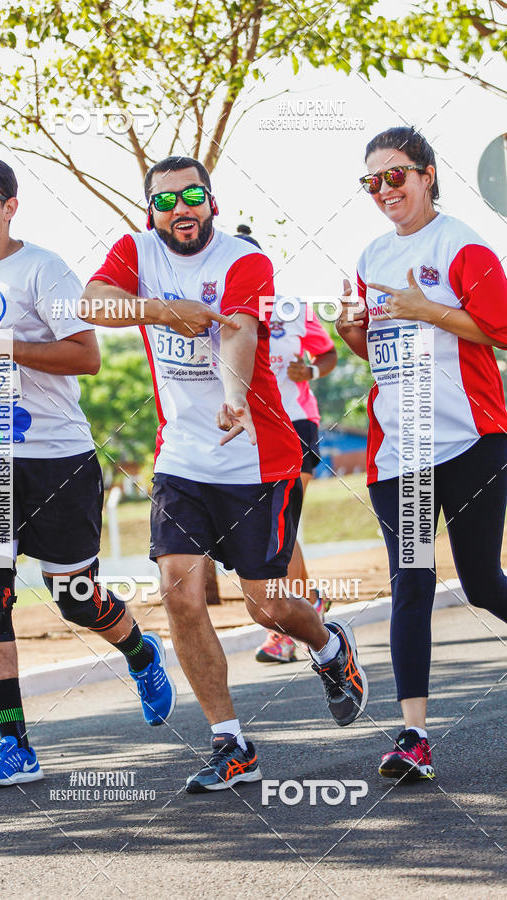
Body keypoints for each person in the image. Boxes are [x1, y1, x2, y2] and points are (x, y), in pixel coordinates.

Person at [80, 155, 368, 793]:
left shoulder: (245, 260)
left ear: (211, 199)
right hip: (181, 459)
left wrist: (234, 396)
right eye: (165, 201)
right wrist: (160, 311)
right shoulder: (135, 251)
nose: (180, 209)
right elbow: (92, 302)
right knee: (179, 596)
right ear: (150, 209)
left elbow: (237, 330)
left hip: (257, 457)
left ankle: (328, 648)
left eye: (192, 196)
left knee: (267, 608)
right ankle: (231, 743)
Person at [0, 155, 175, 790]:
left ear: (10, 206)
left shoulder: (45, 268)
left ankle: (140, 652)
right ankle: (15, 745)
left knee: (75, 598)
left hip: (57, 456)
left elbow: (86, 356)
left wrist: (4, 346)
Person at [337, 126, 507, 781]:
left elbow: (501, 329)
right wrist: (356, 332)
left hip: (470, 441)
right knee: (412, 582)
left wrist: (427, 309)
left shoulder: (463, 244)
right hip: (399, 452)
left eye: (396, 176)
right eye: (371, 182)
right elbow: (380, 355)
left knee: (483, 583)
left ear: (427, 174)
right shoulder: (371, 254)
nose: (384, 191)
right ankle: (412, 737)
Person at [234, 228, 338, 661]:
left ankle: (285, 629)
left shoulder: (293, 309)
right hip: (247, 429)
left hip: (295, 424)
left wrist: (311, 373)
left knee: (280, 526)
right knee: (276, 528)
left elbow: (328, 353)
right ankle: (308, 602)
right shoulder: (222, 309)